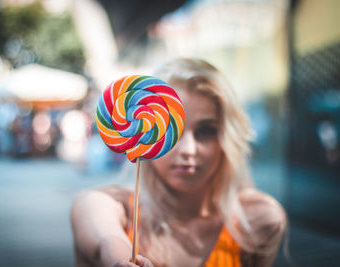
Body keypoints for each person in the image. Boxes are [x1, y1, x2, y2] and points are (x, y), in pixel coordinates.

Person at [71, 58, 287, 267]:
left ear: (227, 137)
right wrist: (118, 260)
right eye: (173, 131)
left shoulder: (255, 222)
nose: (188, 150)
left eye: (206, 131)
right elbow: (105, 241)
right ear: (145, 130)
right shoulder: (107, 206)